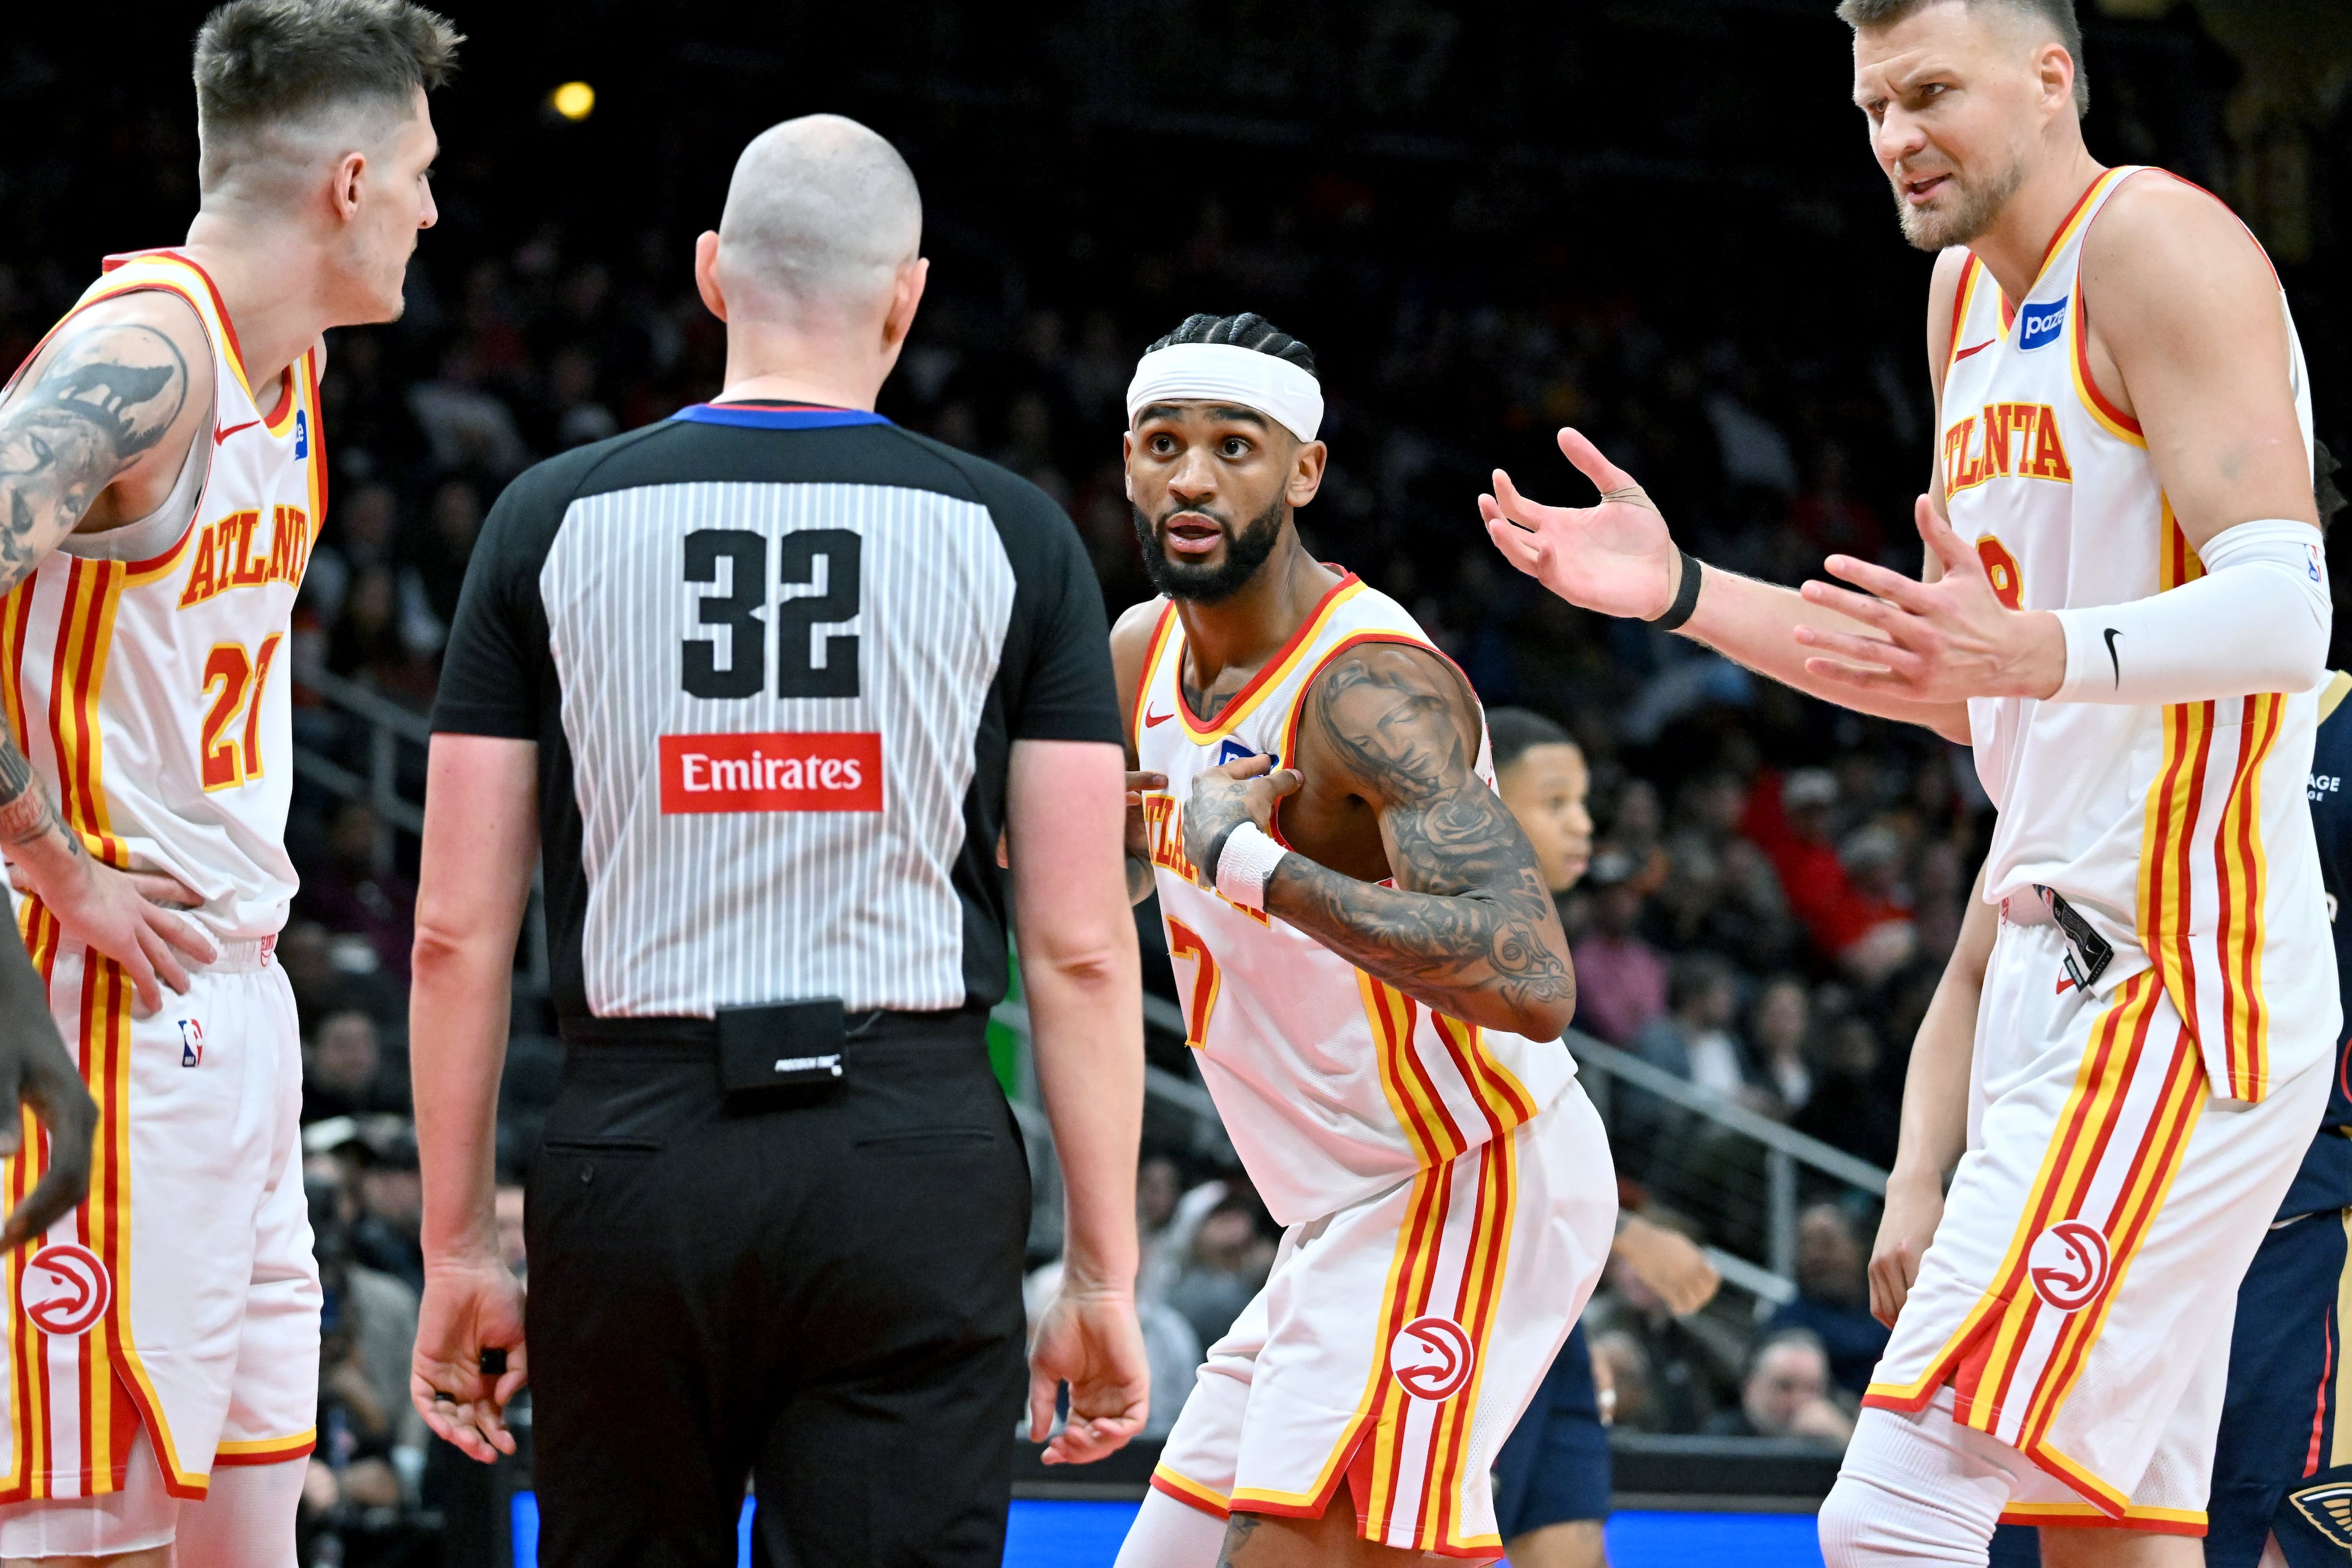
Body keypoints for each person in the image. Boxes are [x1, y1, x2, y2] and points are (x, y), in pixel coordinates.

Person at [1480, 1, 2331, 1561]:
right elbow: (1945, 674)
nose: (1894, 137)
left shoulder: (2154, 244)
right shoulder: (1955, 300)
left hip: (2176, 971)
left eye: (1929, 91)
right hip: (2048, 958)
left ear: (2050, 74)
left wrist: (2033, 651)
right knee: (2105, 1534)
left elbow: (2287, 611)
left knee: (1890, 1511)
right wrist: (1681, 590)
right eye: (1872, 104)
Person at [407, 114, 1150, 1567]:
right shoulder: (1016, 533)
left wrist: (458, 1249)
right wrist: (1101, 1272)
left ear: (710, 276)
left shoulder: (544, 518)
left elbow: (453, 935)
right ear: (906, 295)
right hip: (907, 1154)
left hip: (632, 1152)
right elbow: (1075, 942)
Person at [0, 4, 453, 1562]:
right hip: (100, 1001)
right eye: (415, 172)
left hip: (232, 999)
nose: (429, 209)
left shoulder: (294, 362)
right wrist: (52, 861)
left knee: (242, 1529)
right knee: (86, 1534)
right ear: (345, 180)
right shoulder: (147, 349)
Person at [1106, 312, 1617, 1567]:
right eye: (1164, 443)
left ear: (1304, 471)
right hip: (1336, 1207)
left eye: (1235, 444)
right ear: (1128, 462)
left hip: (1468, 1168)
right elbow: (1124, 877)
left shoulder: (1369, 684)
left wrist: (1261, 869)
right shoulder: (1140, 652)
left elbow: (1533, 974)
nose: (1191, 475)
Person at [1485, 707, 1723, 1568]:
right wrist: (1622, 1237)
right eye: (1554, 801)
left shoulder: (1542, 945)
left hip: (1548, 1307)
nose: (1585, 823)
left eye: (1584, 799)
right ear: (1485, 807)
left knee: (1573, 1540)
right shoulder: (1454, 939)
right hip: (1463, 1302)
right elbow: (1469, 1153)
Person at [1702, 1330, 1854, 1445]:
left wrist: (1842, 1439)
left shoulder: (1834, 1432)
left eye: (1812, 1389)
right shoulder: (1719, 1441)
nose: (1799, 1401)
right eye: (1785, 1387)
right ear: (1750, 1387)